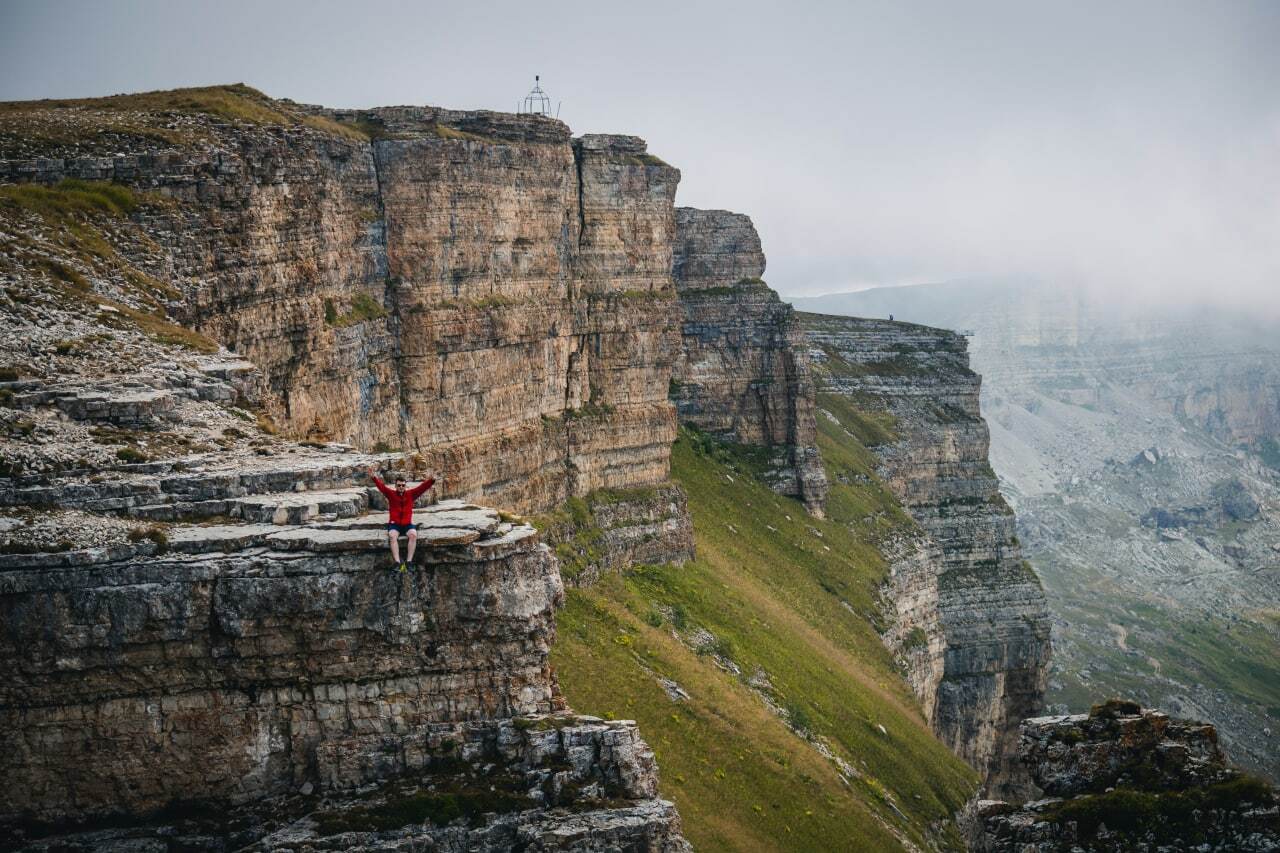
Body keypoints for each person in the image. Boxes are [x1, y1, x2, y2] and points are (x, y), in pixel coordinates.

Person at [366, 467, 435, 571]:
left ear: (405, 486)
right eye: (399, 485)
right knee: (392, 536)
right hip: (395, 524)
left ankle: (409, 562)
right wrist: (374, 478)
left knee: (413, 535)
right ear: (396, 486)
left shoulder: (411, 494)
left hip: (407, 524)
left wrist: (432, 480)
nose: (401, 487)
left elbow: (422, 488)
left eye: (403, 485)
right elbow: (382, 487)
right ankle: (397, 562)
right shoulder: (391, 494)